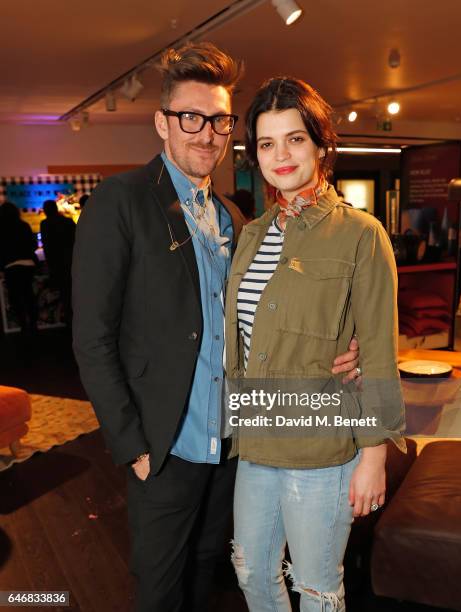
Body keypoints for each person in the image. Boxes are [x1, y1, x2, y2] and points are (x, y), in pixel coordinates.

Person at [72, 44, 360, 612]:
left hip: (232, 446)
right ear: (163, 122)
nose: (207, 134)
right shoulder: (120, 203)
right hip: (165, 446)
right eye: (191, 118)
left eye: (221, 120)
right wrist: (132, 444)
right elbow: (92, 338)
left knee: (208, 571)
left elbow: (263, 316)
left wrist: (337, 350)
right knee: (158, 587)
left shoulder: (233, 216)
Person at [225, 77, 405, 611]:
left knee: (317, 587)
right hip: (257, 435)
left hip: (323, 446)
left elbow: (376, 350)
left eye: (295, 139)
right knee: (252, 570)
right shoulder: (253, 234)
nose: (280, 155)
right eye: (266, 143)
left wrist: (374, 456)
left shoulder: (360, 233)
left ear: (321, 145)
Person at [0, 201, 38, 336]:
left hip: (11, 266)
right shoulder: (24, 225)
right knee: (28, 294)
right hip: (28, 264)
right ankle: (33, 323)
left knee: (16, 297)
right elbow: (32, 245)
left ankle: (23, 324)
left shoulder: (1, 228)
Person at [40, 200, 76, 327]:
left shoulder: (45, 224)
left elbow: (47, 247)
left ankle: (68, 318)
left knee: (64, 291)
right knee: (74, 291)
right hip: (72, 261)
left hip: (57, 263)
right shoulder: (68, 221)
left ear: (45, 210)